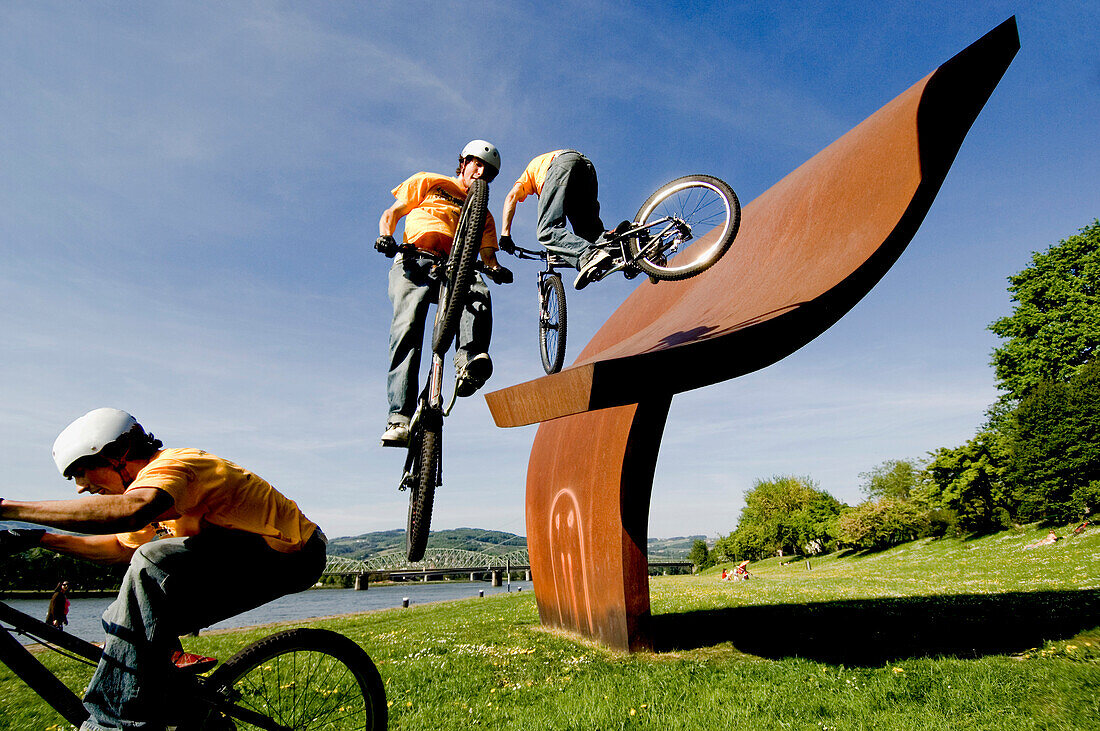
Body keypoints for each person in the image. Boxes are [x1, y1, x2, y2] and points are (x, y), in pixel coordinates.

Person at [0, 407, 326, 731]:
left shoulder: (174, 465)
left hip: (293, 553)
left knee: (151, 561)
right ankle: (200, 717)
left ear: (118, 455)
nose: (80, 487)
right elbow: (118, 549)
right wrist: (41, 538)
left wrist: (7, 508)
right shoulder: (143, 493)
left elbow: (133, 513)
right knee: (123, 619)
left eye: (81, 472)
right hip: (243, 561)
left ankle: (113, 720)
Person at [375, 140, 513, 447]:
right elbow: (394, 212)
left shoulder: (484, 214)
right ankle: (398, 417)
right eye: (477, 164)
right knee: (407, 329)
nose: (481, 173)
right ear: (463, 162)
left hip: (454, 267)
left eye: (488, 172)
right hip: (415, 258)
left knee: (477, 289)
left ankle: (469, 362)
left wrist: (496, 267)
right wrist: (386, 236)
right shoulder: (430, 181)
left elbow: (488, 255)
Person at [498, 150, 621, 290]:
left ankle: (589, 256)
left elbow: (511, 198)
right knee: (590, 235)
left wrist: (505, 235)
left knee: (546, 231)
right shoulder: (548, 188)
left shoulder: (529, 175)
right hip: (585, 167)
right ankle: (624, 243)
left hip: (561, 164)